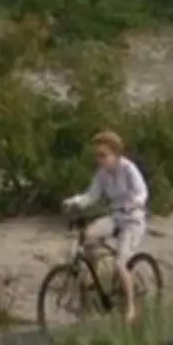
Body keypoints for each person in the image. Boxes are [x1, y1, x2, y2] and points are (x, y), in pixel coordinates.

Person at [62, 130, 149, 324]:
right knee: (88, 236)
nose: (99, 159)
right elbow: (91, 195)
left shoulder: (128, 169)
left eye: (103, 155)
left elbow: (142, 192)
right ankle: (93, 276)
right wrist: (74, 202)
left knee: (120, 264)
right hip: (116, 216)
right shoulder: (102, 173)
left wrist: (135, 202)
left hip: (133, 219)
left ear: (116, 155)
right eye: (97, 155)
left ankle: (131, 308)